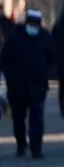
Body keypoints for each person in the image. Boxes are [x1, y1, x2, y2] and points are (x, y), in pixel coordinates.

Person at [0, 10, 55, 158]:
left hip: (38, 86)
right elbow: (4, 60)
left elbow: (52, 57)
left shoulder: (45, 37)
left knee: (36, 118)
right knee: (18, 118)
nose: (33, 27)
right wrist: (10, 78)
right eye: (31, 24)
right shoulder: (15, 37)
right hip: (17, 87)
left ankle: (36, 148)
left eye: (35, 24)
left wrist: (46, 73)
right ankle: (21, 144)